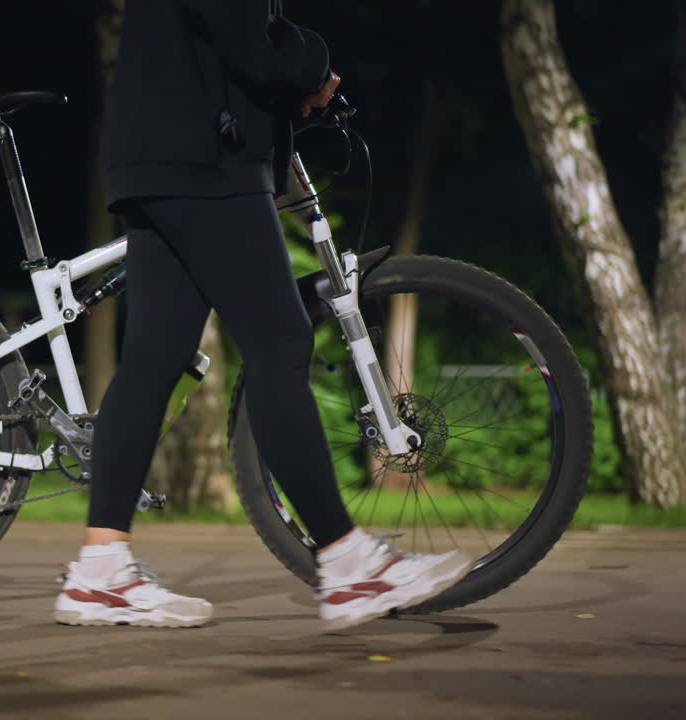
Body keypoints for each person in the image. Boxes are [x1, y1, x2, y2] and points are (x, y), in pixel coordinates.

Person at [52, 0, 473, 631]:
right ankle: (349, 565)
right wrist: (314, 62)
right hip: (204, 159)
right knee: (279, 344)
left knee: (154, 359)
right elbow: (251, 46)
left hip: (158, 154)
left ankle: (101, 571)